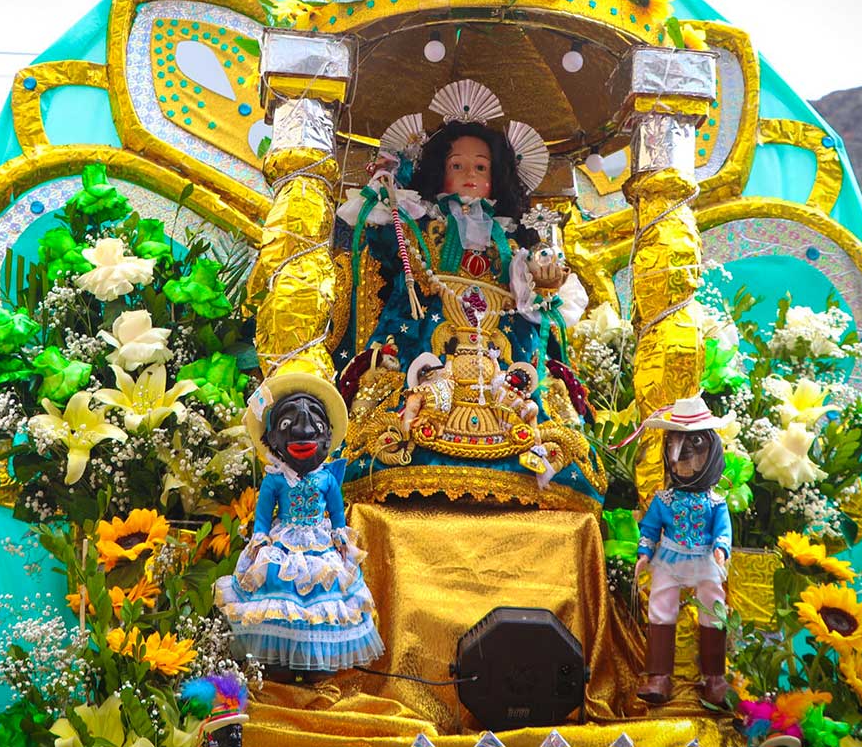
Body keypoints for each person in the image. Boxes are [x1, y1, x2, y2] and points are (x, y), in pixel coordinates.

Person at [334, 81, 600, 504]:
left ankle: (534, 457)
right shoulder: (420, 221)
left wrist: (540, 280)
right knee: (398, 370)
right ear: (441, 170)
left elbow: (533, 294)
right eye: (458, 166)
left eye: (480, 168)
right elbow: (387, 252)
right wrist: (388, 193)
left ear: (496, 177)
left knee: (535, 382)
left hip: (500, 333)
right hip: (430, 324)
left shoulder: (510, 239)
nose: (470, 177)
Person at [215, 373, 384, 676]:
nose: (303, 432)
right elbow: (264, 515)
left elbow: (336, 513)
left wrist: (340, 538)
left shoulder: (327, 478)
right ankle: (277, 658)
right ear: (272, 438)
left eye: (315, 427)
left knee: (322, 600)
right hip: (282, 545)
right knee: (279, 596)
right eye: (286, 426)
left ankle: (316, 661)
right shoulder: (275, 479)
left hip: (321, 546)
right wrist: (260, 539)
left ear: (326, 436)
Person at [633, 394, 732, 705]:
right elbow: (650, 529)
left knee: (713, 607)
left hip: (704, 559)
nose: (684, 461)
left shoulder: (716, 502)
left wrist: (720, 549)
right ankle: (659, 676)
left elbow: (723, 531)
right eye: (677, 451)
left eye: (695, 452)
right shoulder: (664, 500)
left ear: (712, 455)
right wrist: (644, 553)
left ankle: (714, 676)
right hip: (671, 557)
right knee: (661, 606)